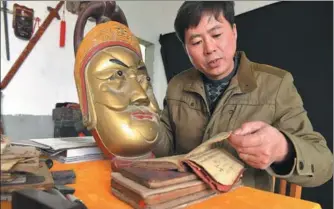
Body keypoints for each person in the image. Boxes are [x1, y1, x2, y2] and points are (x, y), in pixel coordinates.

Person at [152, 1, 333, 191]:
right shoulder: (177, 86)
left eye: (216, 34)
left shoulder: (276, 85)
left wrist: (282, 149)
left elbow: (324, 164)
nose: (210, 48)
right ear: (186, 49)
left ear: (234, 31)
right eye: (196, 42)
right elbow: (166, 149)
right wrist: (144, 124)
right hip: (183, 197)